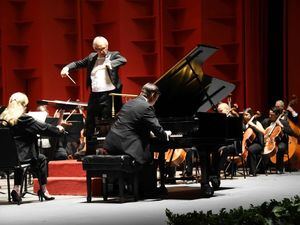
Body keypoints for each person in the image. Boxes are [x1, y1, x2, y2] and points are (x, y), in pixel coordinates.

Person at [60, 36, 127, 155]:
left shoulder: (113, 55)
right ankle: (89, 150)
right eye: (100, 49)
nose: (103, 51)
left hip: (109, 96)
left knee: (109, 122)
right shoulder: (92, 57)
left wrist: (107, 64)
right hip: (95, 95)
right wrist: (66, 68)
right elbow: (78, 63)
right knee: (90, 120)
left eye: (104, 48)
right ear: (95, 48)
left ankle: (111, 149)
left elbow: (123, 60)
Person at [103, 83, 171, 197]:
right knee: (148, 157)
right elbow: (158, 130)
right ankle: (148, 190)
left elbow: (131, 124)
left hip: (111, 142)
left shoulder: (128, 103)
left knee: (144, 148)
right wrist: (165, 134)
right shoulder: (146, 107)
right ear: (153, 95)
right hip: (125, 145)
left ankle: (127, 187)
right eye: (157, 98)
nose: (156, 101)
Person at [0, 92, 66, 203]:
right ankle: (43, 190)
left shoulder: (2, 118)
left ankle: (16, 189)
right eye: (25, 106)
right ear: (22, 105)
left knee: (19, 161)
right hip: (20, 158)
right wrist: (58, 128)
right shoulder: (24, 119)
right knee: (41, 159)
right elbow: (44, 128)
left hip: (4, 159)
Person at [261, 106, 294, 173]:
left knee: (281, 147)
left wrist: (281, 126)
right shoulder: (266, 121)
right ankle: (263, 168)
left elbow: (291, 132)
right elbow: (261, 131)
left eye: (272, 115)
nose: (269, 116)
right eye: (269, 114)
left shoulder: (283, 122)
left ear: (277, 115)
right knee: (260, 146)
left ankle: (279, 168)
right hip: (269, 141)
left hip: (281, 141)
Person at [242, 108, 264, 176]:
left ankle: (253, 171)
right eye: (244, 115)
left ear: (251, 115)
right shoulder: (243, 124)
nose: (245, 116)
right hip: (247, 143)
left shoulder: (256, 123)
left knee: (251, 149)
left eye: (247, 115)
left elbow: (263, 132)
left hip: (258, 143)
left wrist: (253, 125)